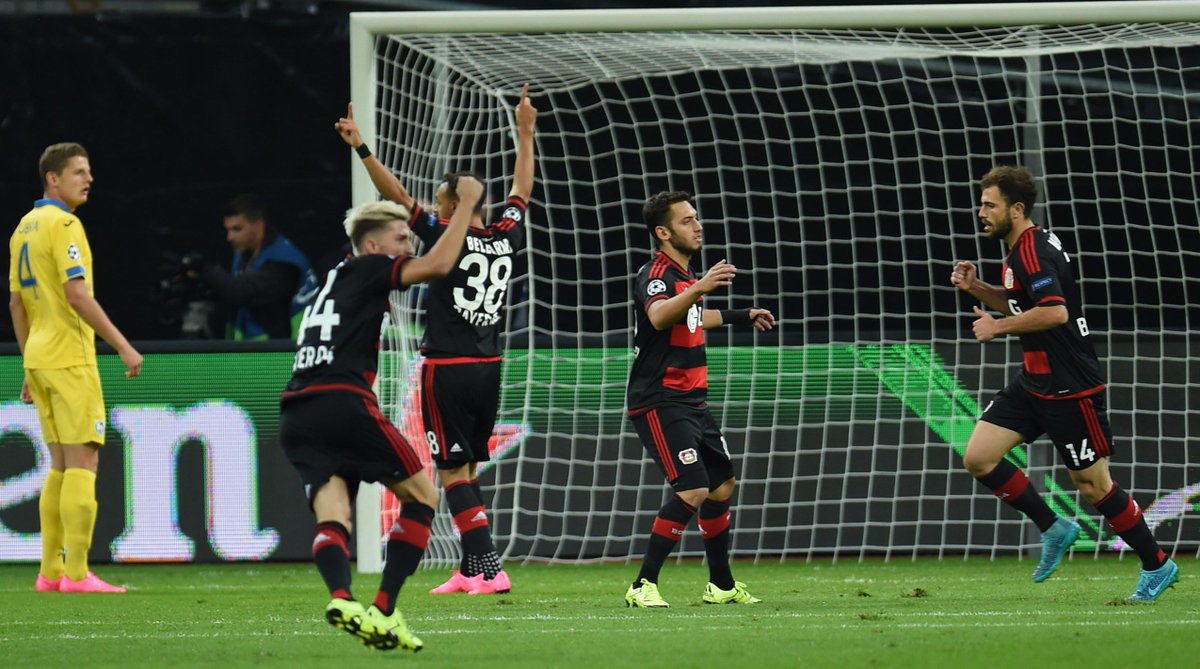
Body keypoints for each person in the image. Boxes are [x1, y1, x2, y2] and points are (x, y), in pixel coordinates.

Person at [334, 84, 536, 595]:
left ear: (452, 203)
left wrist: (362, 148)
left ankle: (490, 568)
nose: (433, 205)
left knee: (450, 473)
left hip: (447, 367)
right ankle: (470, 570)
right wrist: (526, 132)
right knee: (466, 468)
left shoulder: (448, 235)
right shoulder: (504, 235)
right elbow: (522, 190)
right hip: (489, 366)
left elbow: (396, 196)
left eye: (441, 199)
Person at [951, 165, 1179, 602]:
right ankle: (1054, 527)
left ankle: (1157, 563)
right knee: (979, 457)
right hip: (1034, 381)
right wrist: (977, 287)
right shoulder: (1019, 249)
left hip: (1071, 386)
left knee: (1094, 486)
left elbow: (1055, 312)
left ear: (1016, 209)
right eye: (981, 204)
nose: (981, 212)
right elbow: (1025, 304)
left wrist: (997, 328)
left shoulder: (1032, 252)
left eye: (990, 205)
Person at [279, 175, 484, 651]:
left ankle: (342, 599)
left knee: (334, 514)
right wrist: (467, 205)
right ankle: (385, 609)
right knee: (423, 495)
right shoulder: (370, 267)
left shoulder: (333, 279)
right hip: (343, 401)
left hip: (298, 410)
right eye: (400, 239)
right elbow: (439, 264)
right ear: (373, 246)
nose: (407, 247)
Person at [623, 190, 776, 608]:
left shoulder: (684, 275)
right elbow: (659, 315)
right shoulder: (656, 273)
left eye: (695, 217)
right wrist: (701, 286)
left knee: (721, 485)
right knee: (693, 488)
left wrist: (740, 315)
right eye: (686, 220)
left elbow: (691, 316)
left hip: (693, 400)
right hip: (660, 399)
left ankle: (721, 585)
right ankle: (642, 585)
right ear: (663, 232)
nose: (697, 225)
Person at [8, 142, 143, 594]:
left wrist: (28, 363)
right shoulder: (65, 224)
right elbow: (76, 294)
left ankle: (50, 572)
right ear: (53, 178)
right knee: (85, 459)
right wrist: (123, 346)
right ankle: (79, 574)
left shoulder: (23, 227)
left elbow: (16, 304)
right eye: (79, 172)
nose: (89, 180)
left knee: (60, 465)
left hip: (40, 357)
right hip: (69, 355)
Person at [199, 193, 318, 340]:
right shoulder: (243, 253)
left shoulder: (284, 261)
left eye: (237, 229)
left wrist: (203, 270)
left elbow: (244, 292)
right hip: (251, 349)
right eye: (228, 230)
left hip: (284, 349)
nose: (230, 237)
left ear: (259, 225)